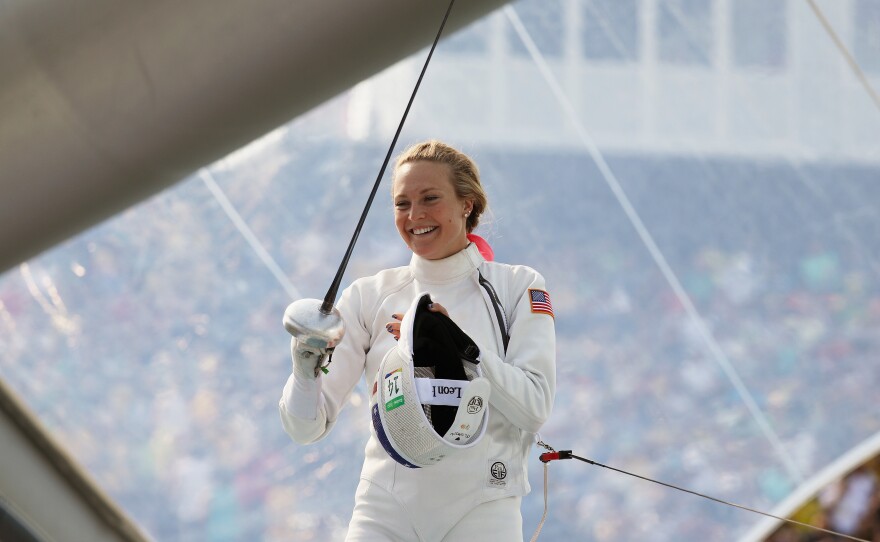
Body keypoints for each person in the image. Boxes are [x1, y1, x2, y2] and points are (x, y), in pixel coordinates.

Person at [279, 139, 556, 542]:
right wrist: (303, 375)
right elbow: (306, 429)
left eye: (430, 198)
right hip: (385, 510)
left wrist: (459, 347)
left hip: (483, 509)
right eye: (402, 204)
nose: (415, 215)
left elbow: (534, 407)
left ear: (467, 204)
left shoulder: (518, 287)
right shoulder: (369, 295)